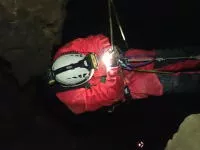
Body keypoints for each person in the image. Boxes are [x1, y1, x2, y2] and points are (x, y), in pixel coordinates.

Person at [47, 34, 200, 114]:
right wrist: (112, 71)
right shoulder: (75, 98)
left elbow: (96, 40)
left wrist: (107, 50)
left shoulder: (65, 52)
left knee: (168, 57)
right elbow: (110, 94)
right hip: (130, 86)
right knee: (174, 82)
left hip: (126, 59)